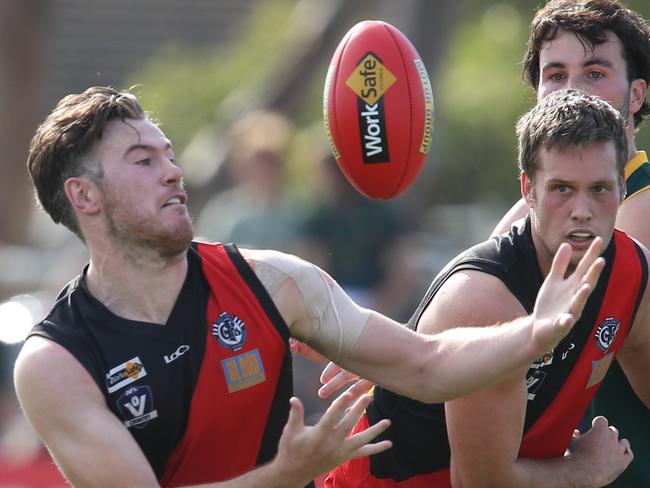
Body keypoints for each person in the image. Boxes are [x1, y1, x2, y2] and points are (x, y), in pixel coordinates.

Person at [10, 86, 603, 488]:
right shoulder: (55, 361)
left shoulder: (272, 280)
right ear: (84, 197)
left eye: (168, 153)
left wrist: (536, 332)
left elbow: (427, 364)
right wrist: (286, 475)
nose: (172, 169)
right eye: (142, 160)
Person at [326, 89, 650, 487]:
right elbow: (481, 482)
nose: (581, 210)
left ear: (621, 185)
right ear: (528, 189)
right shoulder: (485, 303)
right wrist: (582, 471)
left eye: (599, 189)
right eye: (562, 188)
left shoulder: (633, 269)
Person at [490, 1, 650, 484]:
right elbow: (473, 311)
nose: (573, 88)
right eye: (555, 74)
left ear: (637, 95)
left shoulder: (640, 205)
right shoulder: (536, 207)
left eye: (595, 71)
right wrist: (387, 358)